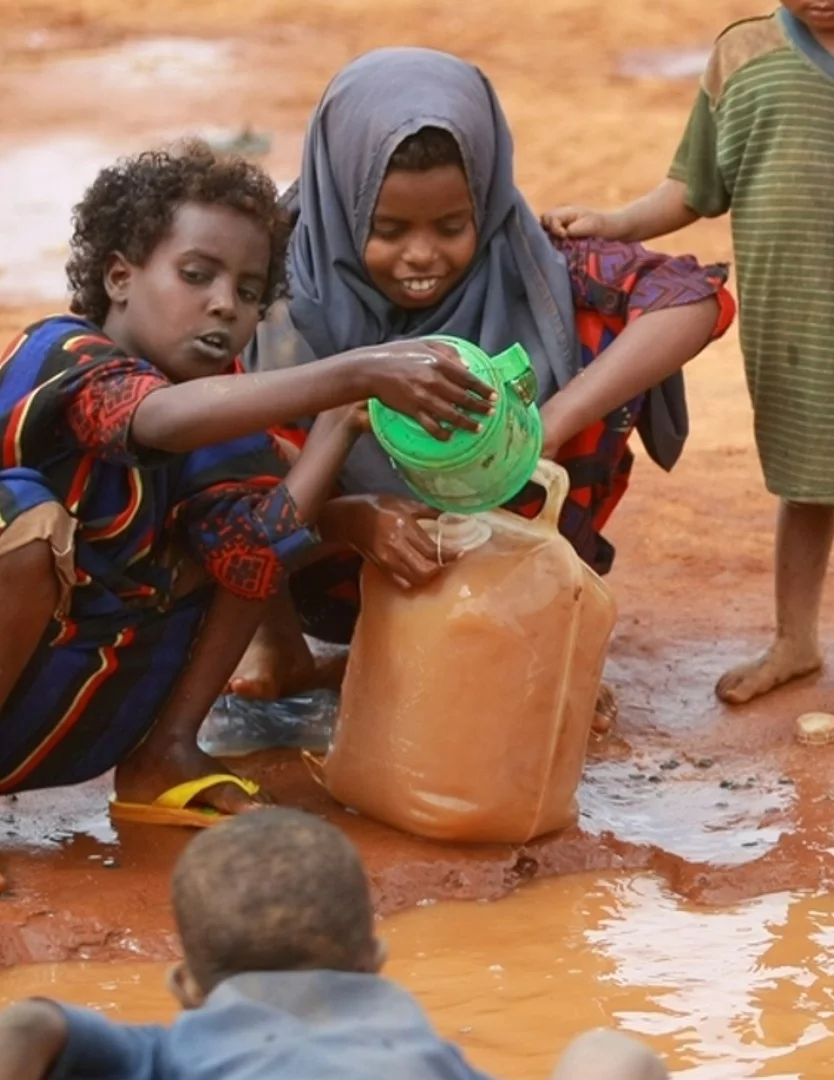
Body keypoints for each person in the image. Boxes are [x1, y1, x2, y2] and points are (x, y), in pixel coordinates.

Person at [0, 141, 491, 869]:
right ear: (119, 277)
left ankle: (165, 754)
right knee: (24, 518)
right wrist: (352, 370)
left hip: (59, 716)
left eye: (250, 289)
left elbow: (256, 549)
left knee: (239, 542)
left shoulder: (221, 416)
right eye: (196, 276)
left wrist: (342, 419)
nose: (226, 304)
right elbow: (155, 418)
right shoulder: (63, 354)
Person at [544, 0, 834, 722]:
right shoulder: (744, 54)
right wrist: (613, 221)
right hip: (785, 317)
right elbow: (694, 187)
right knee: (802, 481)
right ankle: (793, 641)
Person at [236, 48, 734, 722]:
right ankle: (274, 640)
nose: (421, 256)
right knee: (228, 412)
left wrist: (549, 425)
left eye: (451, 226)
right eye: (387, 230)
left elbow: (690, 297)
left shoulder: (527, 264)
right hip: (331, 568)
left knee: (591, 340)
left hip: (493, 557)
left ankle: (529, 628)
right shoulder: (265, 289)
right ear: (342, 204)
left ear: (489, 200)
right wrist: (350, 520)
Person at [0, 808, 671, 1080]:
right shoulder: (427, 1058)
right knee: (606, 1053)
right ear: (376, 964)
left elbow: (28, 1025)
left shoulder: (172, 1052)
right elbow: (621, 1059)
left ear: (187, 989)